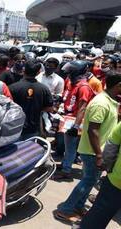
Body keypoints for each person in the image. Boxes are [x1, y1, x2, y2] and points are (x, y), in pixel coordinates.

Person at [54, 71, 121, 224]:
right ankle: (65, 210)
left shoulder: (110, 100)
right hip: (93, 151)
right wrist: (98, 155)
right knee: (88, 180)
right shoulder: (101, 103)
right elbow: (93, 130)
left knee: (90, 181)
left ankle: (77, 206)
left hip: (97, 150)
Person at [53, 61, 95, 181]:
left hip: (76, 121)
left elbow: (82, 108)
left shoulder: (83, 87)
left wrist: (76, 126)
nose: (68, 74)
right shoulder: (74, 84)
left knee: (71, 146)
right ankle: (66, 163)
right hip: (69, 118)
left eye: (70, 72)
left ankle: (66, 170)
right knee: (68, 145)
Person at [10, 60, 54, 140]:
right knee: (29, 151)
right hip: (33, 129)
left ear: (24, 70)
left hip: (14, 127)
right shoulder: (44, 89)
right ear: (38, 72)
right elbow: (50, 108)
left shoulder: (13, 87)